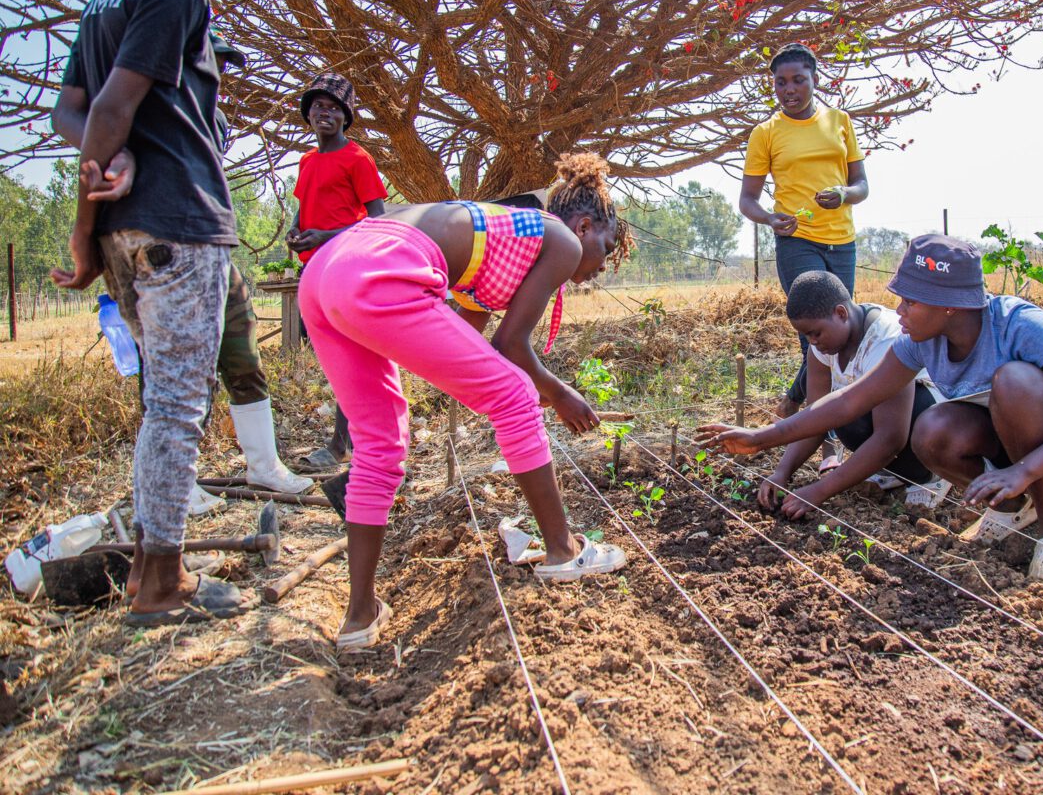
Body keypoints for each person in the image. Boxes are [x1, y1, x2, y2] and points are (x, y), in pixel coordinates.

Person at [299, 153, 632, 651]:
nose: (598, 268)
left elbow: (471, 349)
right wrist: (555, 393)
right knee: (516, 394)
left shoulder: (501, 249)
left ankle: (360, 617)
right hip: (382, 265)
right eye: (604, 250)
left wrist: (514, 394)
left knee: (380, 443)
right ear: (584, 226)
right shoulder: (559, 239)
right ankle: (564, 552)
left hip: (327, 273)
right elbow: (511, 347)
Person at [48, 0, 256, 625]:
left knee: (162, 402)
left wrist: (113, 159)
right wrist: (79, 220)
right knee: (176, 406)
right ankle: (162, 586)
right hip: (177, 223)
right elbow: (106, 106)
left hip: (126, 235)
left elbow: (70, 114)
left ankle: (147, 569)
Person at [701, 235, 1043, 584]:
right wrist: (762, 438)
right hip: (1013, 450)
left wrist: (1024, 472)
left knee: (1012, 381)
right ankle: (1012, 507)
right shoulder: (920, 340)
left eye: (910, 303)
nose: (898, 312)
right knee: (931, 429)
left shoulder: (1018, 323)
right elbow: (849, 400)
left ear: (949, 304)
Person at [52, 36, 312, 520]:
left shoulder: (208, 115)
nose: (220, 78)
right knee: (172, 371)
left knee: (242, 346)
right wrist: (86, 236)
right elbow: (92, 153)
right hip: (162, 244)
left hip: (209, 244)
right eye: (213, 64)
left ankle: (263, 464)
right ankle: (178, 483)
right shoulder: (146, 109)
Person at [737, 43, 868, 432]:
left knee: (839, 331)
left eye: (798, 80)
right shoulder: (766, 133)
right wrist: (770, 219)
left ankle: (794, 401)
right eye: (780, 83)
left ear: (815, 80)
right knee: (815, 330)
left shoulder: (840, 121)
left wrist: (844, 195)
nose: (789, 89)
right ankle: (823, 437)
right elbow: (748, 200)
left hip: (841, 240)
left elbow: (861, 185)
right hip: (797, 241)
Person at [756, 271, 943, 517]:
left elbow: (890, 438)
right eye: (806, 336)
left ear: (841, 313)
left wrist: (818, 491)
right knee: (836, 414)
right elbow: (815, 420)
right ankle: (895, 472)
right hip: (891, 425)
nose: (812, 342)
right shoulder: (825, 346)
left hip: (934, 423)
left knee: (857, 409)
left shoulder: (884, 339)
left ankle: (929, 476)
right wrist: (782, 471)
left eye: (816, 333)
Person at [285, 74, 388, 472]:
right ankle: (355, 442)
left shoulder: (358, 159)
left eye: (332, 108)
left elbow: (377, 220)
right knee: (339, 360)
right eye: (317, 107)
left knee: (352, 359)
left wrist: (327, 234)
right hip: (315, 270)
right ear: (308, 115)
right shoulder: (308, 161)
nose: (323, 113)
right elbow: (304, 205)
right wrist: (296, 232)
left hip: (348, 267)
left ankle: (344, 446)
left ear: (345, 118)